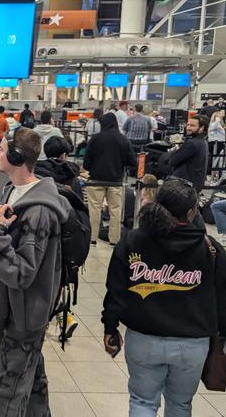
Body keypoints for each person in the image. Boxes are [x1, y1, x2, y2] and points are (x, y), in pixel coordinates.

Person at [0, 128, 72, 416]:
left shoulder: (39, 211)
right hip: (14, 307)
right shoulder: (11, 191)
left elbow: (22, 272)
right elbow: (9, 244)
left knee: (3, 394)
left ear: (17, 157)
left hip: (26, 311)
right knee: (30, 379)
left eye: (2, 149)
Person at [102, 178, 226, 417]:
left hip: (143, 338)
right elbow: (223, 298)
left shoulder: (133, 240)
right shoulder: (209, 248)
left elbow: (115, 288)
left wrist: (110, 326)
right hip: (193, 343)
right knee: (180, 404)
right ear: (192, 212)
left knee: (142, 402)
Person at [84, 113, 136, 245]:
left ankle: (92, 238)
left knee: (94, 210)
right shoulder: (123, 139)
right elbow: (132, 161)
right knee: (115, 210)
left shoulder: (95, 139)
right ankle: (114, 240)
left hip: (96, 180)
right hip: (116, 181)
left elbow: (86, 163)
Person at [169, 115, 209, 193]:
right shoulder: (203, 141)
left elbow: (172, 161)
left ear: (202, 128)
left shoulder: (192, 143)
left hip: (185, 187)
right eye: (188, 125)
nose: (188, 128)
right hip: (195, 185)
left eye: (192, 126)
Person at [208, 110, 225, 175]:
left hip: (220, 143)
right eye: (219, 114)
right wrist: (219, 118)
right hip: (215, 143)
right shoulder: (213, 123)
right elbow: (213, 127)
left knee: (219, 159)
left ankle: (216, 173)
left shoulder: (218, 124)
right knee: (215, 159)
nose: (221, 115)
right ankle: (213, 173)